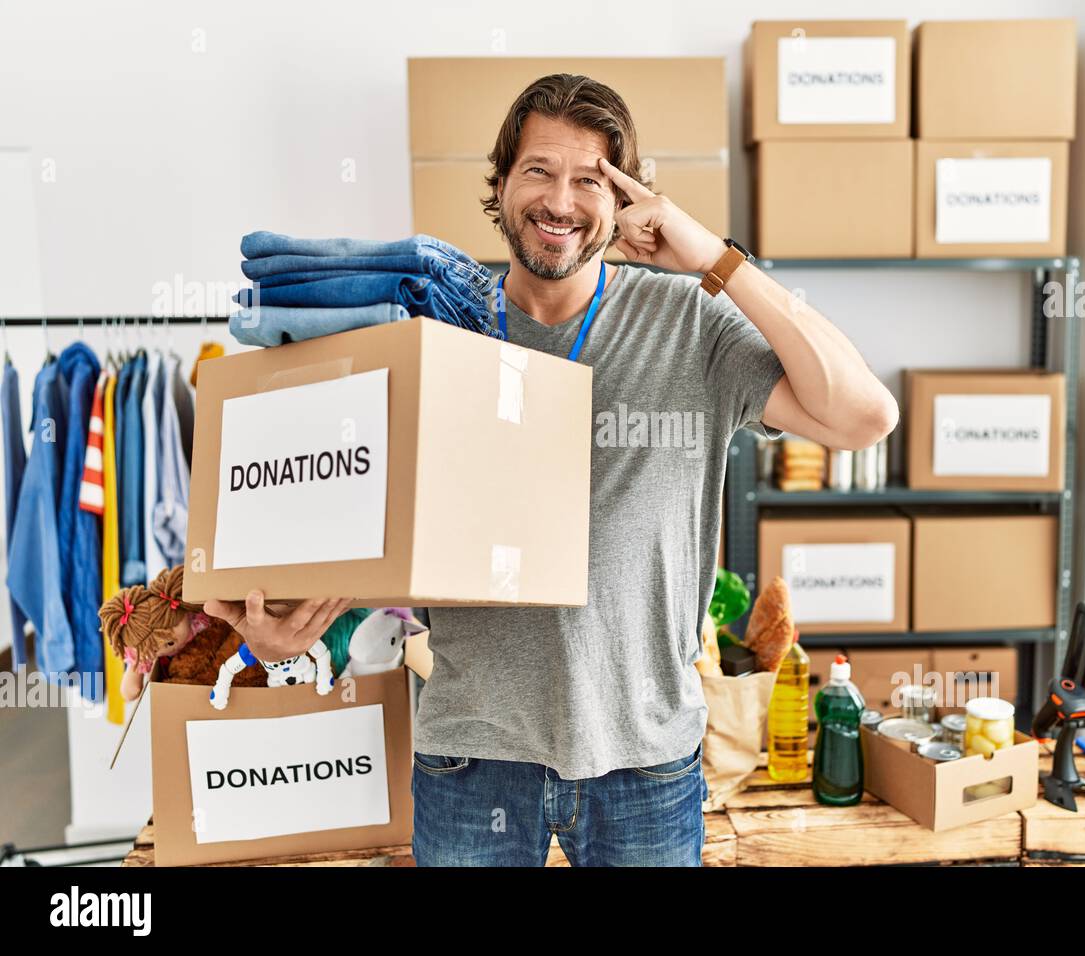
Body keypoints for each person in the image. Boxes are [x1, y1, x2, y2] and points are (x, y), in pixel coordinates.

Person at [206, 72, 898, 867]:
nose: (559, 201)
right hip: (471, 757)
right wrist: (285, 631)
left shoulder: (688, 322)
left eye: (590, 180)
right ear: (499, 185)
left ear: (627, 201)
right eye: (537, 170)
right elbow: (339, 501)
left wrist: (710, 255)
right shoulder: (429, 326)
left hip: (645, 761)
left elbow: (864, 415)